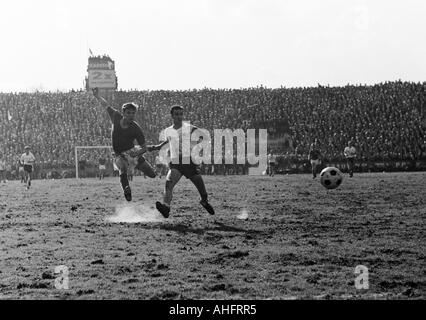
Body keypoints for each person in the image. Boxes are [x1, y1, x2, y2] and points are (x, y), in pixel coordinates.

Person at [148, 105, 215, 218]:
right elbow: (167, 142)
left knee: (202, 189)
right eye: (177, 114)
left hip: (189, 161)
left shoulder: (189, 127)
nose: (179, 116)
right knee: (169, 183)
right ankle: (166, 207)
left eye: (181, 114)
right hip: (176, 162)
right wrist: (156, 147)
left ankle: (204, 201)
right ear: (172, 116)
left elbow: (204, 137)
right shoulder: (168, 130)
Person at [93, 88, 156, 201]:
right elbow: (105, 105)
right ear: (123, 113)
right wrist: (97, 96)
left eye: (133, 113)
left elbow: (144, 147)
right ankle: (126, 189)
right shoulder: (116, 116)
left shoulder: (136, 128)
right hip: (119, 154)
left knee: (152, 174)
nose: (130, 115)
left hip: (132, 153)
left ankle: (135, 166)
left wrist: (137, 153)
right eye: (128, 113)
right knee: (122, 167)